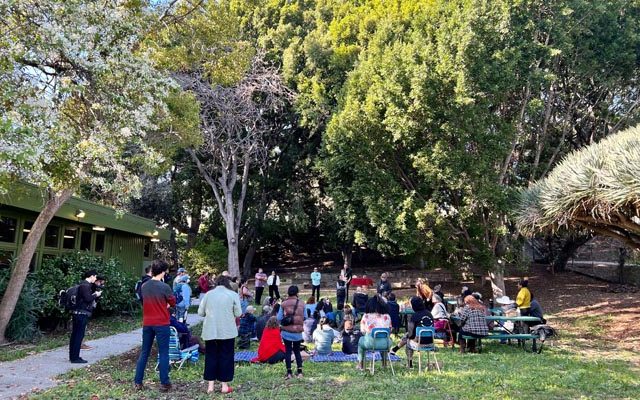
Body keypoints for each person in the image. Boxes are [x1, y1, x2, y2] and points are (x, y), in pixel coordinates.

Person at [134, 260, 176, 392]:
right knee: (163, 352)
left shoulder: (144, 286)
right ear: (163, 272)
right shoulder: (165, 287)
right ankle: (164, 382)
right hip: (162, 322)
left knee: (144, 352)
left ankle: (138, 382)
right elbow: (172, 302)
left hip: (147, 322)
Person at [198, 274, 242, 394]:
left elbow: (200, 312)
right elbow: (238, 313)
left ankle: (210, 387)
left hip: (210, 331)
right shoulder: (233, 294)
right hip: (227, 331)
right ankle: (224, 386)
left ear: (216, 283)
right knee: (226, 357)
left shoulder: (208, 294)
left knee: (211, 356)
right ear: (227, 283)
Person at [69, 270, 102, 363]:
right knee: (78, 335)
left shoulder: (82, 285)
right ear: (91, 276)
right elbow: (88, 299)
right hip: (81, 314)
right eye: (95, 277)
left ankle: (73, 356)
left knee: (75, 335)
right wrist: (96, 294)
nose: (95, 279)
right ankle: (75, 358)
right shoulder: (85, 285)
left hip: (77, 313)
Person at [356, 295, 392, 370]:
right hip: (386, 344)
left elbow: (362, 331)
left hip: (370, 343)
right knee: (383, 341)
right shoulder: (387, 316)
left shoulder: (366, 316)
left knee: (360, 341)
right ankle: (384, 364)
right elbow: (390, 330)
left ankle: (360, 364)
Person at [277, 285, 305, 379]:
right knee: (297, 351)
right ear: (297, 293)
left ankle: (289, 372)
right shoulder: (302, 303)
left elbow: (279, 318)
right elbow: (305, 316)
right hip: (297, 332)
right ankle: (300, 372)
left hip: (286, 332)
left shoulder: (284, 304)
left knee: (288, 351)